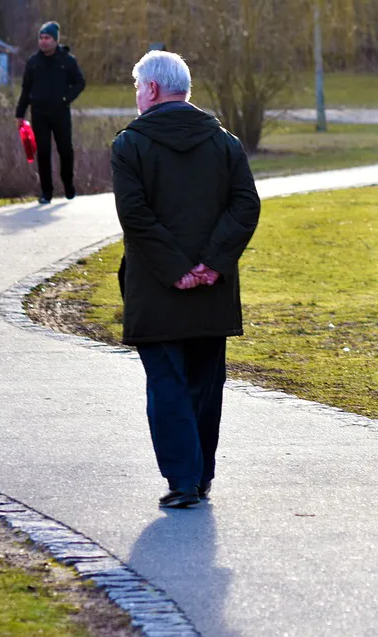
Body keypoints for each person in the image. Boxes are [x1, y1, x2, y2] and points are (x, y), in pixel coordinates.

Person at [111, 50, 260, 509]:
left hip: (156, 289)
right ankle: (199, 475)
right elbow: (245, 205)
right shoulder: (225, 143)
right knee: (204, 383)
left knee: (167, 384)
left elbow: (135, 216)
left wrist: (178, 270)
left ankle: (183, 478)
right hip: (213, 292)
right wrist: (211, 264)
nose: (137, 96)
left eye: (138, 87)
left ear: (152, 89)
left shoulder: (129, 145)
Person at [15, 21, 86, 203]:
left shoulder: (67, 60)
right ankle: (47, 192)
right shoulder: (33, 62)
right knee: (43, 151)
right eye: (41, 38)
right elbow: (26, 88)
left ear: (55, 40)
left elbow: (79, 82)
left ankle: (68, 185)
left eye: (47, 38)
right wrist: (19, 114)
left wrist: (66, 99)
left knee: (65, 150)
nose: (43, 41)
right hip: (39, 113)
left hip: (60, 112)